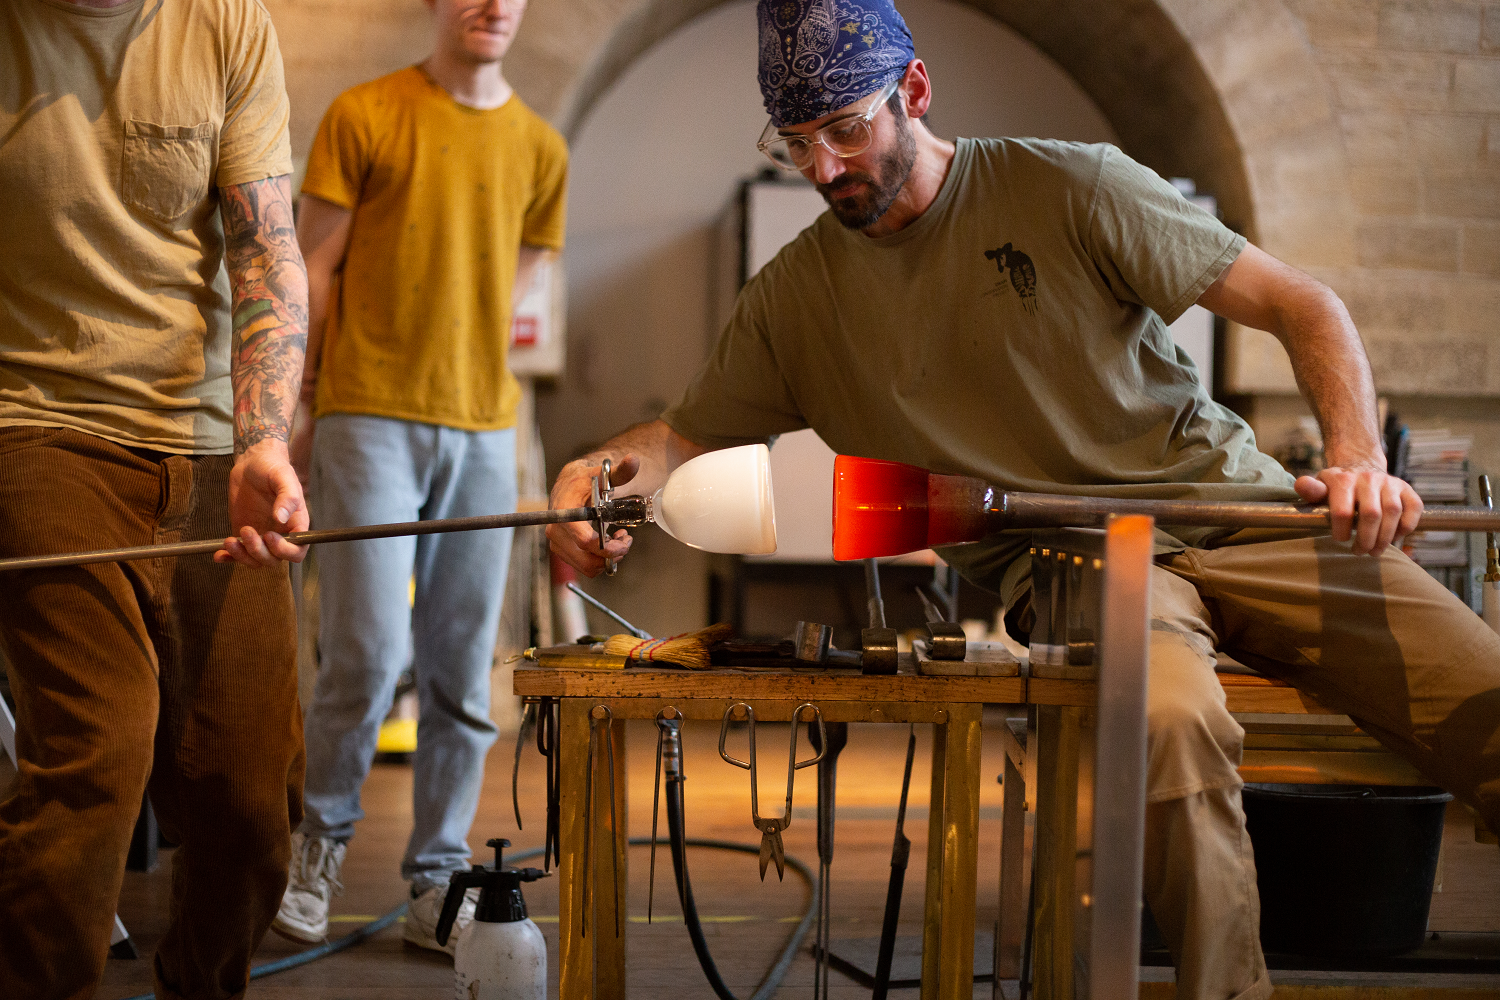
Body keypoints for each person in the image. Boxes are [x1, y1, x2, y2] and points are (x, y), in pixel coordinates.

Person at [548, 2, 1500, 997]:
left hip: (1245, 509)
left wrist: (1355, 455)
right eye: (796, 143)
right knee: (1171, 726)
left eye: (845, 129)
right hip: (1076, 559)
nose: (823, 168)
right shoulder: (794, 300)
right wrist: (599, 475)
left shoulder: (1069, 185)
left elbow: (1305, 305)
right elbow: (677, 439)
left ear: (912, 93)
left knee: (1482, 693)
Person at [0, 0, 310, 997]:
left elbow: (265, 247)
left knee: (253, 800)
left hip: (214, 445)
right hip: (35, 423)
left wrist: (265, 442)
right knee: (97, 755)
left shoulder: (225, 23)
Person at [271, 0, 567, 954]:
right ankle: (317, 849)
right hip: (367, 416)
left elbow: (520, 274)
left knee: (462, 667)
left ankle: (439, 877)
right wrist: (303, 405)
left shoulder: (540, 148)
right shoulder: (364, 113)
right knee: (361, 650)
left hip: (483, 429)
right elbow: (312, 270)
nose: (492, 6)